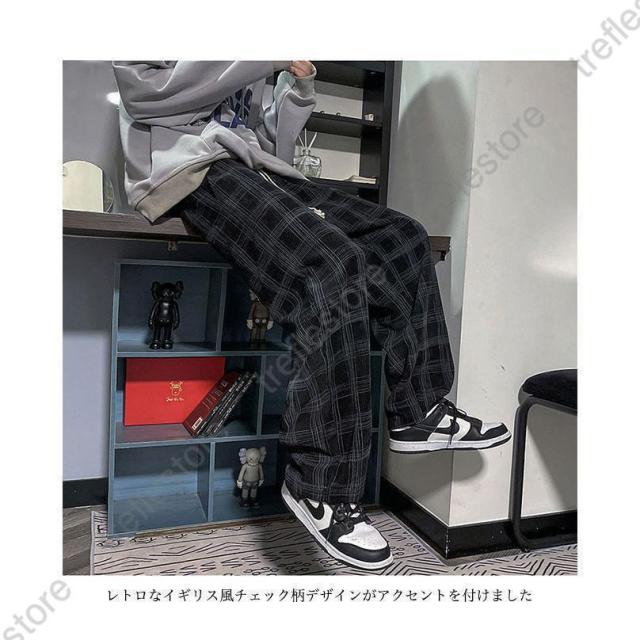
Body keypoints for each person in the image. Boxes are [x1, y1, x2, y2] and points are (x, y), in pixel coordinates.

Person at [113, 60, 511, 571]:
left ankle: (418, 411)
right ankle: (320, 484)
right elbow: (142, 93)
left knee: (402, 238)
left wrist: (296, 89)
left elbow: (264, 144)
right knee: (331, 264)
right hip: (188, 172)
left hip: (255, 172)